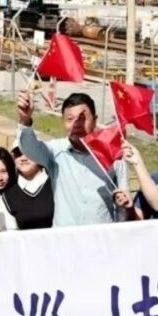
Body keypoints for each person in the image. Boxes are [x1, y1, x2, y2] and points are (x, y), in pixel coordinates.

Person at [15, 92, 133, 227]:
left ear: (95, 120)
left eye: (82, 118)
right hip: (65, 240)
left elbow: (125, 202)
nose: (76, 125)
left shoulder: (113, 155)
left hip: (100, 239)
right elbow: (29, 149)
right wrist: (25, 120)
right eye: (70, 119)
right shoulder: (56, 151)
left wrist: (125, 207)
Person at [0, 146, 55, 231]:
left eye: (29, 152)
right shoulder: (6, 199)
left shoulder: (58, 186)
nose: (23, 158)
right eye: (18, 154)